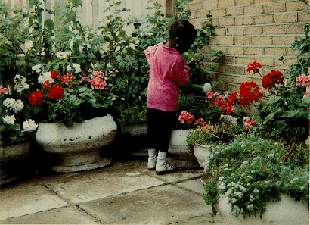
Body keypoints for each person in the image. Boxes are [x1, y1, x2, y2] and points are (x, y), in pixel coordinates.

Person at [144, 19, 211, 175]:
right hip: (167, 99)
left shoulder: (156, 49)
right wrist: (187, 67)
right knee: (164, 130)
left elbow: (147, 52)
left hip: (152, 95)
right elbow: (182, 80)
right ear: (177, 40)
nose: (186, 48)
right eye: (185, 45)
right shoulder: (177, 59)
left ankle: (150, 160)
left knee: (152, 128)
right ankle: (161, 162)